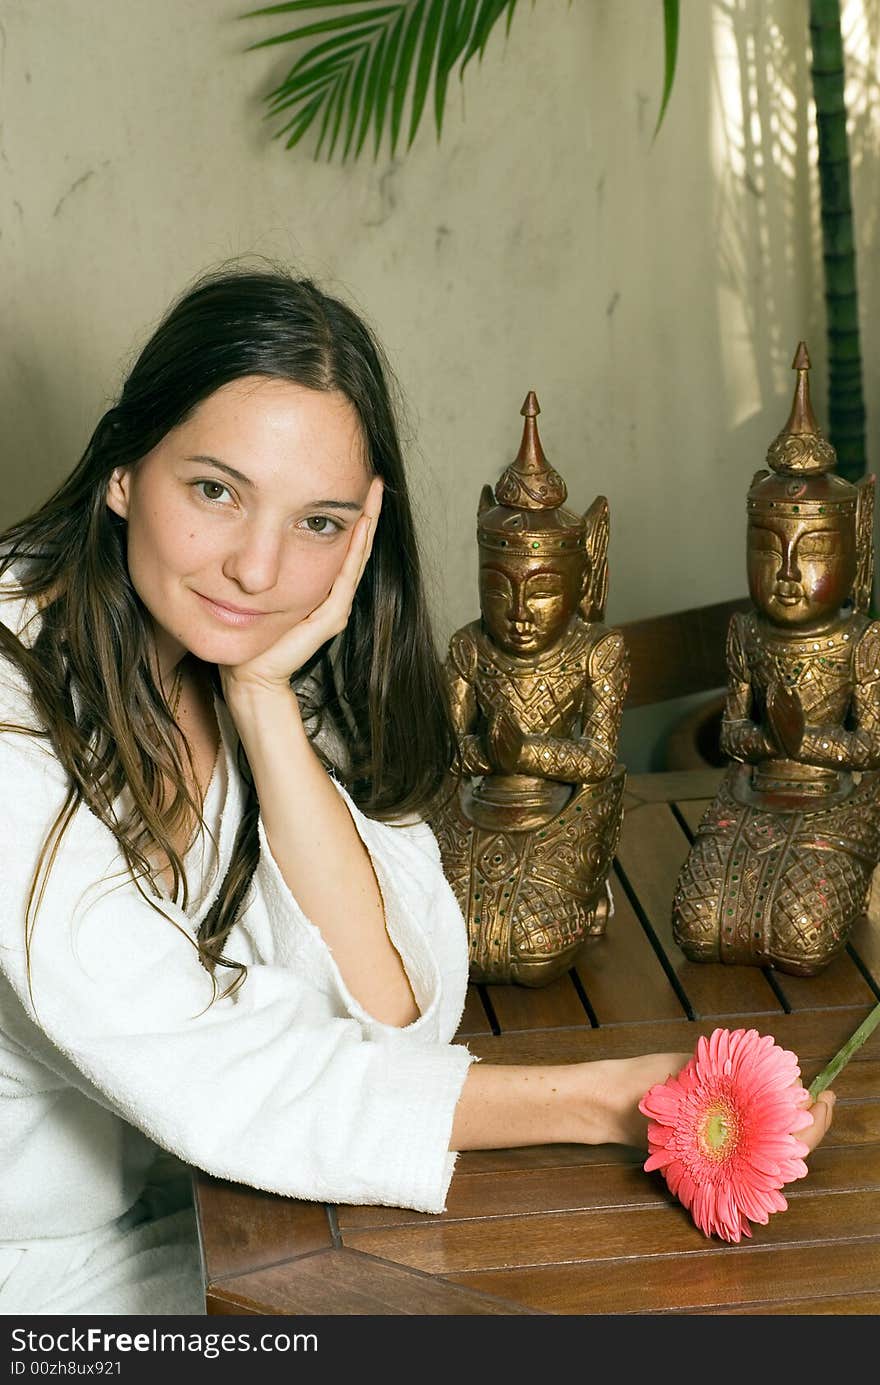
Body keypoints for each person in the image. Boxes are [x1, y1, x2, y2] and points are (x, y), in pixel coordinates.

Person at [0, 268, 835, 1317]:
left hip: (212, 1211)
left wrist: (260, 704)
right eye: (214, 490)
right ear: (123, 471)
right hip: (38, 1277)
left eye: (317, 521)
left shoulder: (260, 663)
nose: (258, 567)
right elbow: (220, 1072)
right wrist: (604, 1099)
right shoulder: (10, 715)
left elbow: (401, 1009)